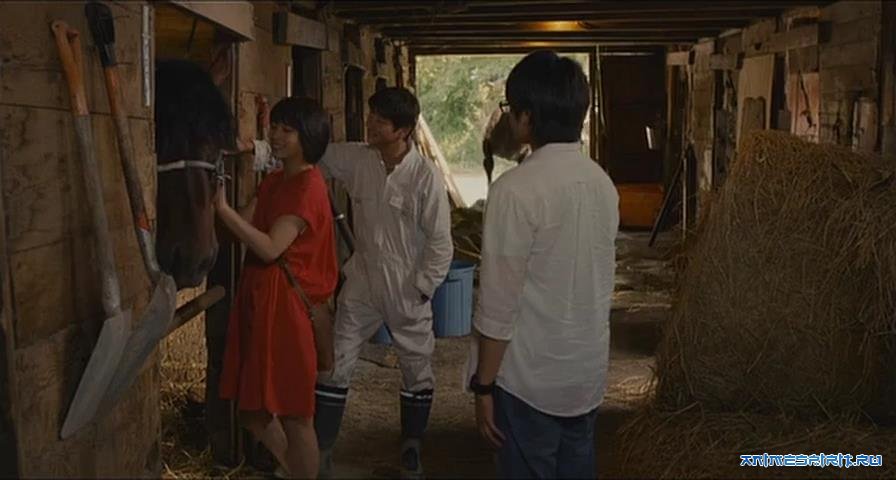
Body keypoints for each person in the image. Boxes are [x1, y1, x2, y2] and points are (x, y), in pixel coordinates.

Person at [245, 87, 454, 478]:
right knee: (336, 360)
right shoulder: (358, 158)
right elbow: (308, 152)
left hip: (406, 284)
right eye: (371, 115)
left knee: (416, 364)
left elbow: (441, 241)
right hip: (363, 276)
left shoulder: (424, 177)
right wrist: (256, 150)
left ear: (403, 131)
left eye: (380, 121)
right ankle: (322, 450)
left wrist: (423, 287)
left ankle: (411, 446)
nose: (370, 124)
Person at [465, 50, 619, 479]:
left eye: (510, 108)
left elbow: (498, 305)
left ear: (527, 117)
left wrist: (483, 385)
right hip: (585, 375)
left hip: (529, 380)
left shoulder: (515, 190)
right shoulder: (602, 184)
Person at [217, 97, 338, 478]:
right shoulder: (275, 181)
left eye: (288, 130)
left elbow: (270, 248)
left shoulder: (307, 188)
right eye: (275, 127)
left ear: (309, 137)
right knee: (253, 410)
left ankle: (300, 472)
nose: (277, 136)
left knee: (294, 413)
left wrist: (222, 209)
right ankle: (294, 470)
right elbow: (243, 226)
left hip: (287, 308)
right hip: (261, 300)